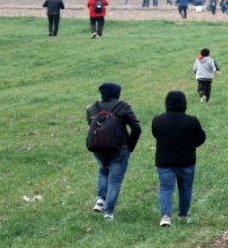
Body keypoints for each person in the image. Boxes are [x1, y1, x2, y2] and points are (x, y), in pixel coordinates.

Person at [86, 82, 142, 221]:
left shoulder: (92, 108)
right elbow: (136, 128)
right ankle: (108, 212)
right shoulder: (123, 107)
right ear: (117, 93)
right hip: (119, 148)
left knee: (103, 170)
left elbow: (91, 125)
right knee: (115, 181)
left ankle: (100, 200)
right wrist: (130, 145)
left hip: (98, 147)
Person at [152, 90, 206, 227]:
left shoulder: (158, 120)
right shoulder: (191, 121)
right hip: (186, 160)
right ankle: (183, 215)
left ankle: (165, 216)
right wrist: (191, 145)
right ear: (184, 103)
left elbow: (156, 134)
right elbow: (201, 138)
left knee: (165, 188)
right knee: (185, 189)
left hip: (164, 161)